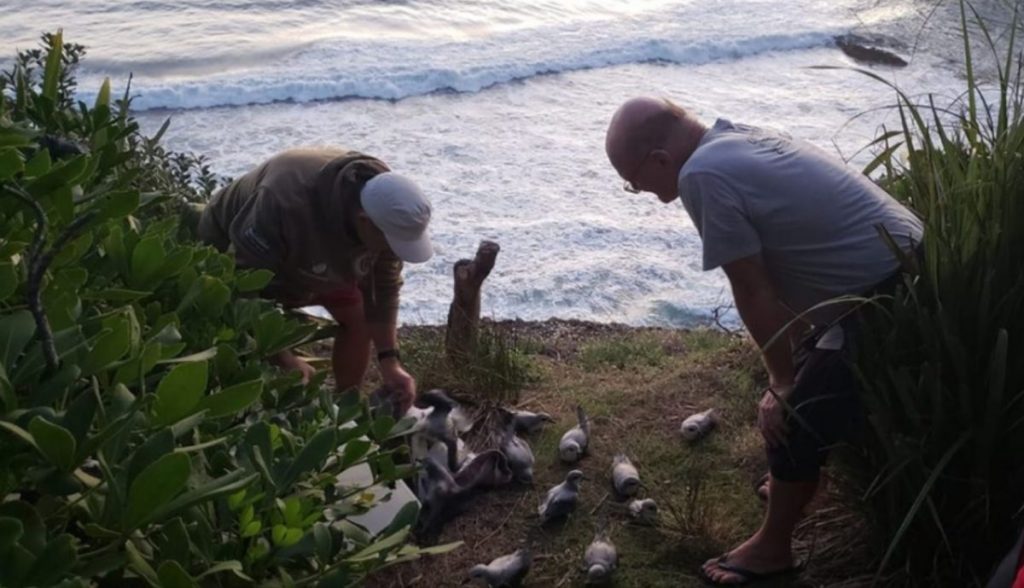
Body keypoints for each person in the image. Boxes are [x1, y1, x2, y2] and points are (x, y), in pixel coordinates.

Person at [604, 97, 923, 585]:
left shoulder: (700, 176)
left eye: (634, 182)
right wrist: (799, 356)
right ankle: (793, 479)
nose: (640, 190)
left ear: (660, 161)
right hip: (910, 268)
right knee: (802, 371)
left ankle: (773, 550)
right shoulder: (732, 137)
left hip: (892, 297)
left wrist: (782, 383)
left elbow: (753, 287)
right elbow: (786, 261)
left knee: (793, 417)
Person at [198, 148, 433, 414]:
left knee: (359, 319)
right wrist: (282, 356)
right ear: (365, 222)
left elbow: (384, 290)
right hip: (236, 248)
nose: (391, 251)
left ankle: (343, 407)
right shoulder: (281, 202)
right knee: (248, 346)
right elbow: (241, 287)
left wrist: (390, 362)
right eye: (390, 243)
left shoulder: (387, 207)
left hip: (323, 251)